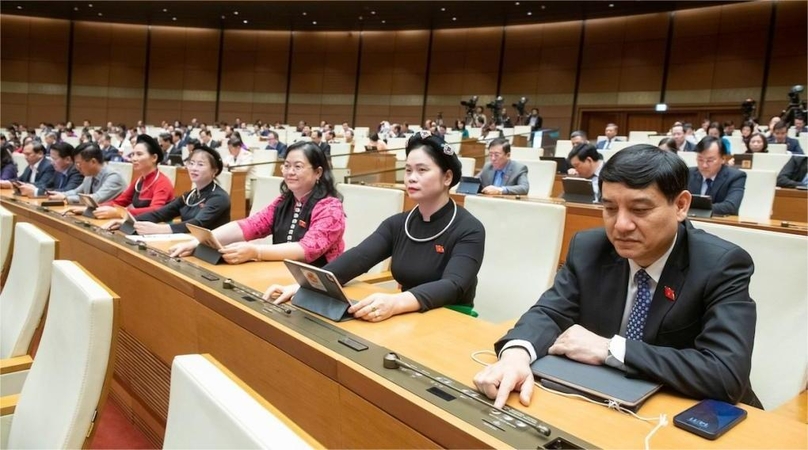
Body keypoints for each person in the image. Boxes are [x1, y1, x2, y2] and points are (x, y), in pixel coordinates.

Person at [473, 144, 761, 408]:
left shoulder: (721, 265)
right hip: (609, 400)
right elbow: (550, 313)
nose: (621, 225)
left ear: (681, 206)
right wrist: (516, 356)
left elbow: (725, 373)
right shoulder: (590, 248)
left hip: (691, 412)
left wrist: (610, 348)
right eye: (610, 208)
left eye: (640, 209)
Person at [265, 130, 485, 322]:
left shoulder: (469, 229)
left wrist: (396, 302)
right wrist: (307, 285)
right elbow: (359, 257)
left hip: (450, 318)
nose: (411, 178)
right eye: (408, 170)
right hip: (407, 315)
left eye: (422, 170)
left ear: (447, 177)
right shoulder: (398, 223)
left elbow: (454, 284)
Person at [169, 141, 345, 266]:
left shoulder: (330, 207)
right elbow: (249, 225)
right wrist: (199, 241)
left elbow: (307, 249)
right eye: (286, 165)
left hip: (317, 283)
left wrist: (257, 252)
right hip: (280, 273)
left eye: (297, 167)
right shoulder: (284, 201)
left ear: (318, 172)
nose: (290, 172)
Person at [131, 145, 230, 234]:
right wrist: (131, 221)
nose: (193, 168)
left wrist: (160, 229)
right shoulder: (189, 196)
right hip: (186, 243)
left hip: (209, 250)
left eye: (200, 164)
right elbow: (160, 214)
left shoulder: (219, 197)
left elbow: (198, 223)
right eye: (191, 163)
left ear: (214, 171)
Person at [94, 135, 175, 220]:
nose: (134, 158)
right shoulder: (139, 180)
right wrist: (96, 208)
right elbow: (120, 202)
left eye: (139, 154)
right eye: (133, 154)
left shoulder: (162, 182)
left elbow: (155, 210)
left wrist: (121, 212)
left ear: (154, 158)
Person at [48, 142, 127, 206]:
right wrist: (62, 194)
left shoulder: (114, 177)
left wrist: (66, 198)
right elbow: (76, 192)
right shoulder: (89, 175)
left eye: (78, 164)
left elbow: (96, 199)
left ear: (93, 162)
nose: (77, 167)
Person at [687, 136, 746, 216]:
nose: (704, 165)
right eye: (700, 159)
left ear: (723, 159)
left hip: (720, 224)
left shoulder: (736, 176)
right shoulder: (688, 173)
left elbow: (731, 206)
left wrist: (695, 208)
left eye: (710, 160)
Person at [18, 142, 83, 197]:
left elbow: (67, 191)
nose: (51, 162)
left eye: (54, 159)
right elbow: (46, 185)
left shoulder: (77, 171)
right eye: (51, 158)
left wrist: (36, 191)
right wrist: (30, 186)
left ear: (68, 159)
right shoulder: (58, 171)